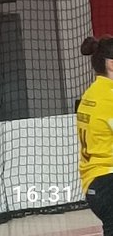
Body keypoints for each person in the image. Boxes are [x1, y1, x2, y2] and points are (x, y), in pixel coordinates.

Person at [78, 36, 113, 233]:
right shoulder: (109, 97)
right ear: (111, 64)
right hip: (107, 182)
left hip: (94, 183)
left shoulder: (90, 94)